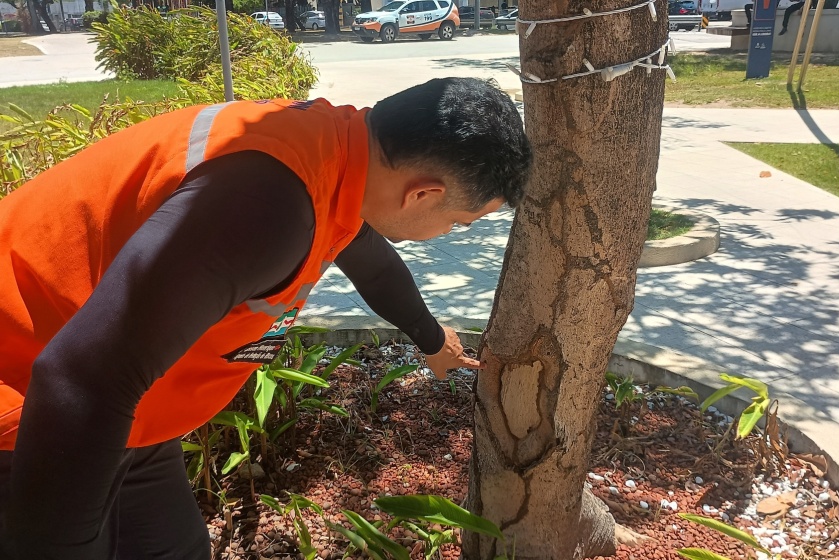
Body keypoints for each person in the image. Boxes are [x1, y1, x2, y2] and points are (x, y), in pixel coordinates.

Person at [0, 77, 532, 559]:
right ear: (423, 193)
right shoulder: (265, 206)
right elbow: (82, 382)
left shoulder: (336, 153)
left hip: (130, 415)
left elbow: (372, 264)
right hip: (40, 414)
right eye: (460, 223)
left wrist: (432, 337)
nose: (451, 234)